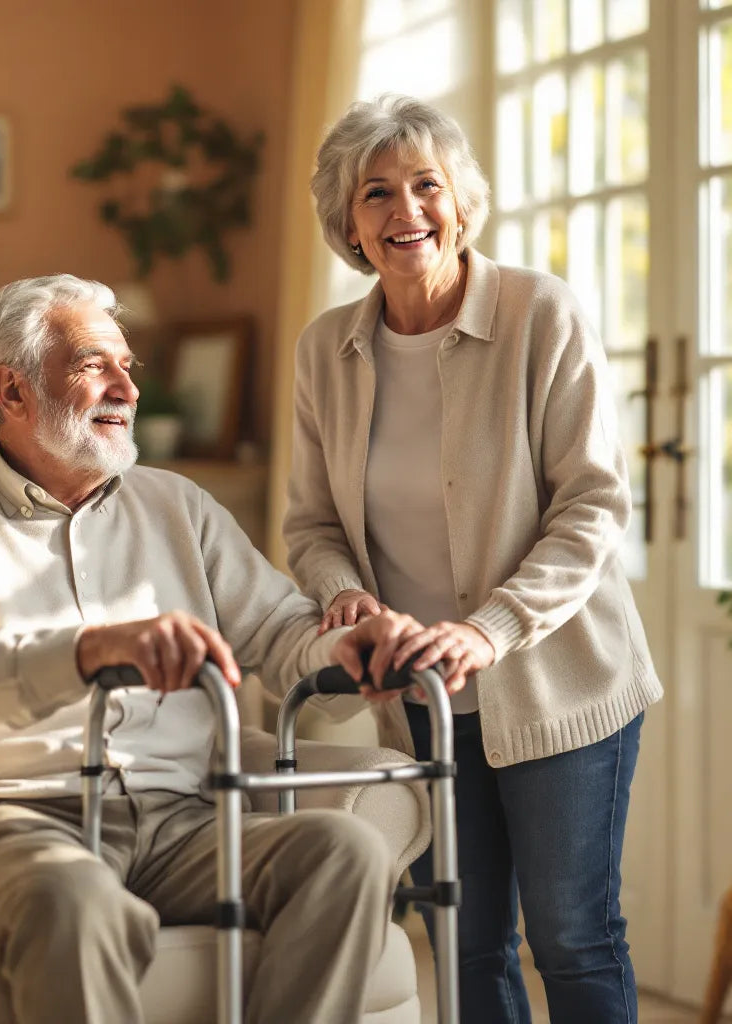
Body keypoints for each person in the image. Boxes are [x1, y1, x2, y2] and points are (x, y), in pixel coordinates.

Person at [0, 274, 397, 1024]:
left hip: (183, 819)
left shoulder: (179, 506)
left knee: (346, 851)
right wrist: (88, 650)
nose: (127, 388)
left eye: (127, 366)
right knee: (73, 898)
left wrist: (350, 651)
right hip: (18, 820)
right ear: (12, 392)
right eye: (92, 365)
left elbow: (280, 633)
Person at [284, 94, 663, 1023]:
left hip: (560, 685)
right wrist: (346, 602)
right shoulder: (325, 350)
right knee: (463, 941)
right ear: (349, 225)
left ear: (462, 201)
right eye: (377, 193)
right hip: (419, 702)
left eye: (427, 185)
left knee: (573, 941)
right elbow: (311, 526)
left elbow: (592, 504)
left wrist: (490, 631)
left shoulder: (541, 313)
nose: (406, 211)